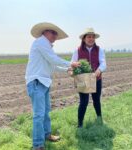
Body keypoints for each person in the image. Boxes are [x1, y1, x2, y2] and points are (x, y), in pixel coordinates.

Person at [25, 22, 80, 150]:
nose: (55, 35)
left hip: (43, 83)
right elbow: (53, 59)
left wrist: (66, 70)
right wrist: (71, 64)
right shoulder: (40, 42)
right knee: (39, 115)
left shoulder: (47, 46)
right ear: (45, 32)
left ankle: (47, 135)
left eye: (56, 33)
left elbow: (53, 65)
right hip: (37, 82)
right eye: (53, 32)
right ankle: (38, 145)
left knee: (45, 112)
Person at [71, 28, 106, 128]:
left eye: (93, 37)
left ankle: (99, 119)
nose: (91, 39)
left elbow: (103, 63)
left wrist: (99, 70)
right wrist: (73, 70)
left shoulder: (99, 50)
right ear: (84, 38)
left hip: (96, 79)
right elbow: (73, 63)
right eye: (88, 37)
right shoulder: (77, 50)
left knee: (96, 100)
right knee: (84, 102)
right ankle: (80, 124)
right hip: (83, 80)